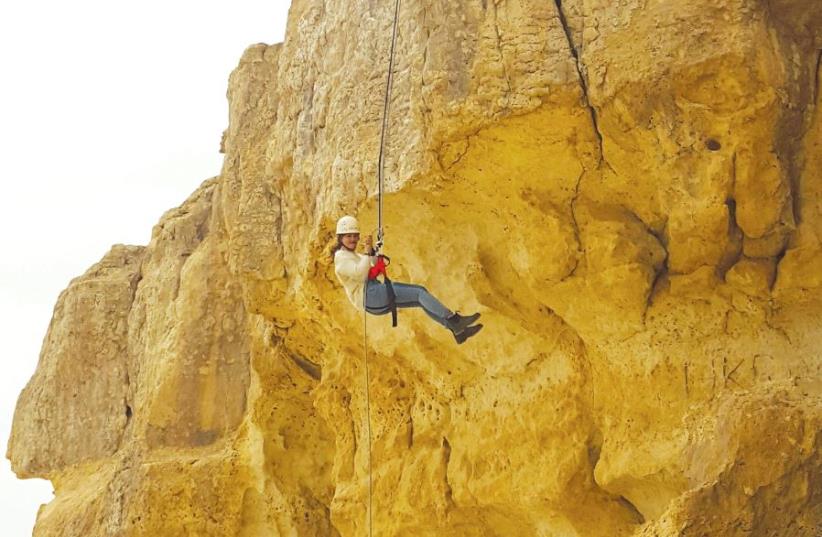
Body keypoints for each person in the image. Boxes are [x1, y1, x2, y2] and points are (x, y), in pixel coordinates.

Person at [332, 215, 483, 344]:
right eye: (348, 236)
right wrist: (366, 253)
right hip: (370, 295)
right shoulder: (341, 258)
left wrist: (372, 251)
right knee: (419, 292)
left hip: (372, 298)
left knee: (419, 301)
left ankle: (458, 332)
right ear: (340, 238)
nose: (352, 239)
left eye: (354, 235)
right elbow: (360, 274)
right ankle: (455, 319)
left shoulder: (352, 255)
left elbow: (370, 265)